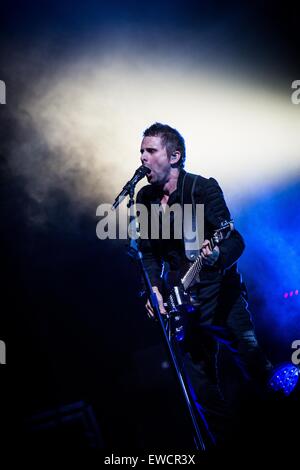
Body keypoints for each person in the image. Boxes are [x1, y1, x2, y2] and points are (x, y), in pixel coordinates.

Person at [136, 122, 272, 445]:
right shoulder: (145, 198)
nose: (142, 157)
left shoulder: (202, 189)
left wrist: (216, 257)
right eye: (141, 151)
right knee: (203, 395)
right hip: (182, 306)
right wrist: (154, 288)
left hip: (221, 298)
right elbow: (148, 251)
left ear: (175, 156)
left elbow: (234, 239)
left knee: (256, 367)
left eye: (150, 150)